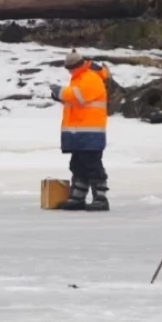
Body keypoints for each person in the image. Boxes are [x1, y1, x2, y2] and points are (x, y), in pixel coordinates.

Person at [49, 49, 110, 211]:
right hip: (80, 133)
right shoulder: (79, 79)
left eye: (70, 68)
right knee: (77, 165)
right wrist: (61, 95)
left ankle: (101, 198)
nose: (70, 72)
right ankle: (77, 197)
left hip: (91, 133)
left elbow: (79, 96)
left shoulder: (91, 78)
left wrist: (59, 92)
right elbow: (76, 102)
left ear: (77, 65)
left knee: (92, 165)